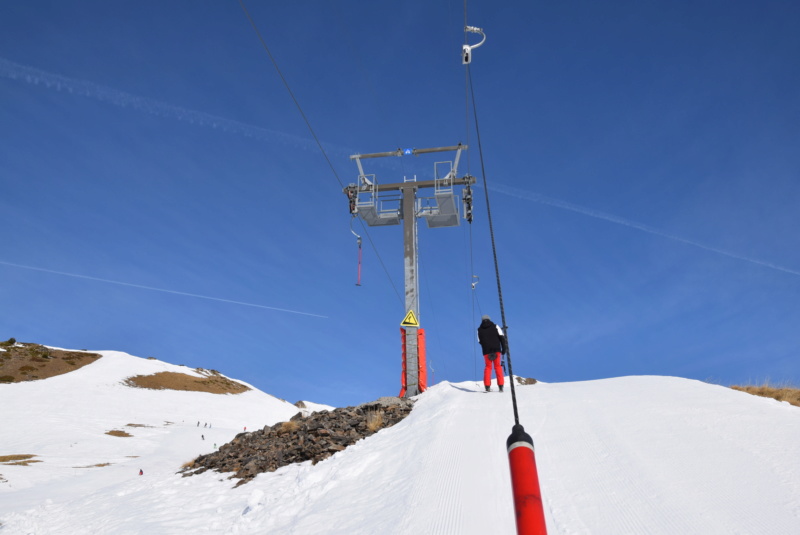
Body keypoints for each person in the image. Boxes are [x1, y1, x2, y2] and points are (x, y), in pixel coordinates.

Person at [477, 314, 506, 392]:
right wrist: (504, 348)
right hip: (496, 350)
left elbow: (479, 341)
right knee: (497, 367)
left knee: (488, 367)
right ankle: (500, 386)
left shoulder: (479, 329)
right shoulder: (496, 326)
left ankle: (487, 386)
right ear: (489, 319)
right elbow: (502, 338)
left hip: (486, 351)